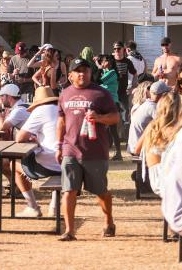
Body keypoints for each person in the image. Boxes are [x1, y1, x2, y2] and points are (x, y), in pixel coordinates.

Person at [56, 57, 119, 241]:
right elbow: (61, 121)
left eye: (86, 70)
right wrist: (58, 145)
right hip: (70, 149)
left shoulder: (101, 93)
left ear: (91, 73)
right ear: (70, 76)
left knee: (101, 191)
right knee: (68, 190)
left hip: (95, 151)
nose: (82, 74)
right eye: (78, 71)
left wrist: (99, 118)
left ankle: (108, 220)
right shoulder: (65, 94)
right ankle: (69, 230)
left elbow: (115, 117)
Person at [15, 86, 61, 218]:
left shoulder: (41, 110)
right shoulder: (62, 109)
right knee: (54, 163)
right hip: (68, 161)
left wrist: (34, 139)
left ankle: (33, 207)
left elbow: (20, 138)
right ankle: (54, 205)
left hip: (50, 162)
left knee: (14, 165)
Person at [127, 80, 169, 154]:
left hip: (134, 145)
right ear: (163, 95)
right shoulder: (153, 107)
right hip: (140, 148)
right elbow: (164, 127)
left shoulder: (146, 104)